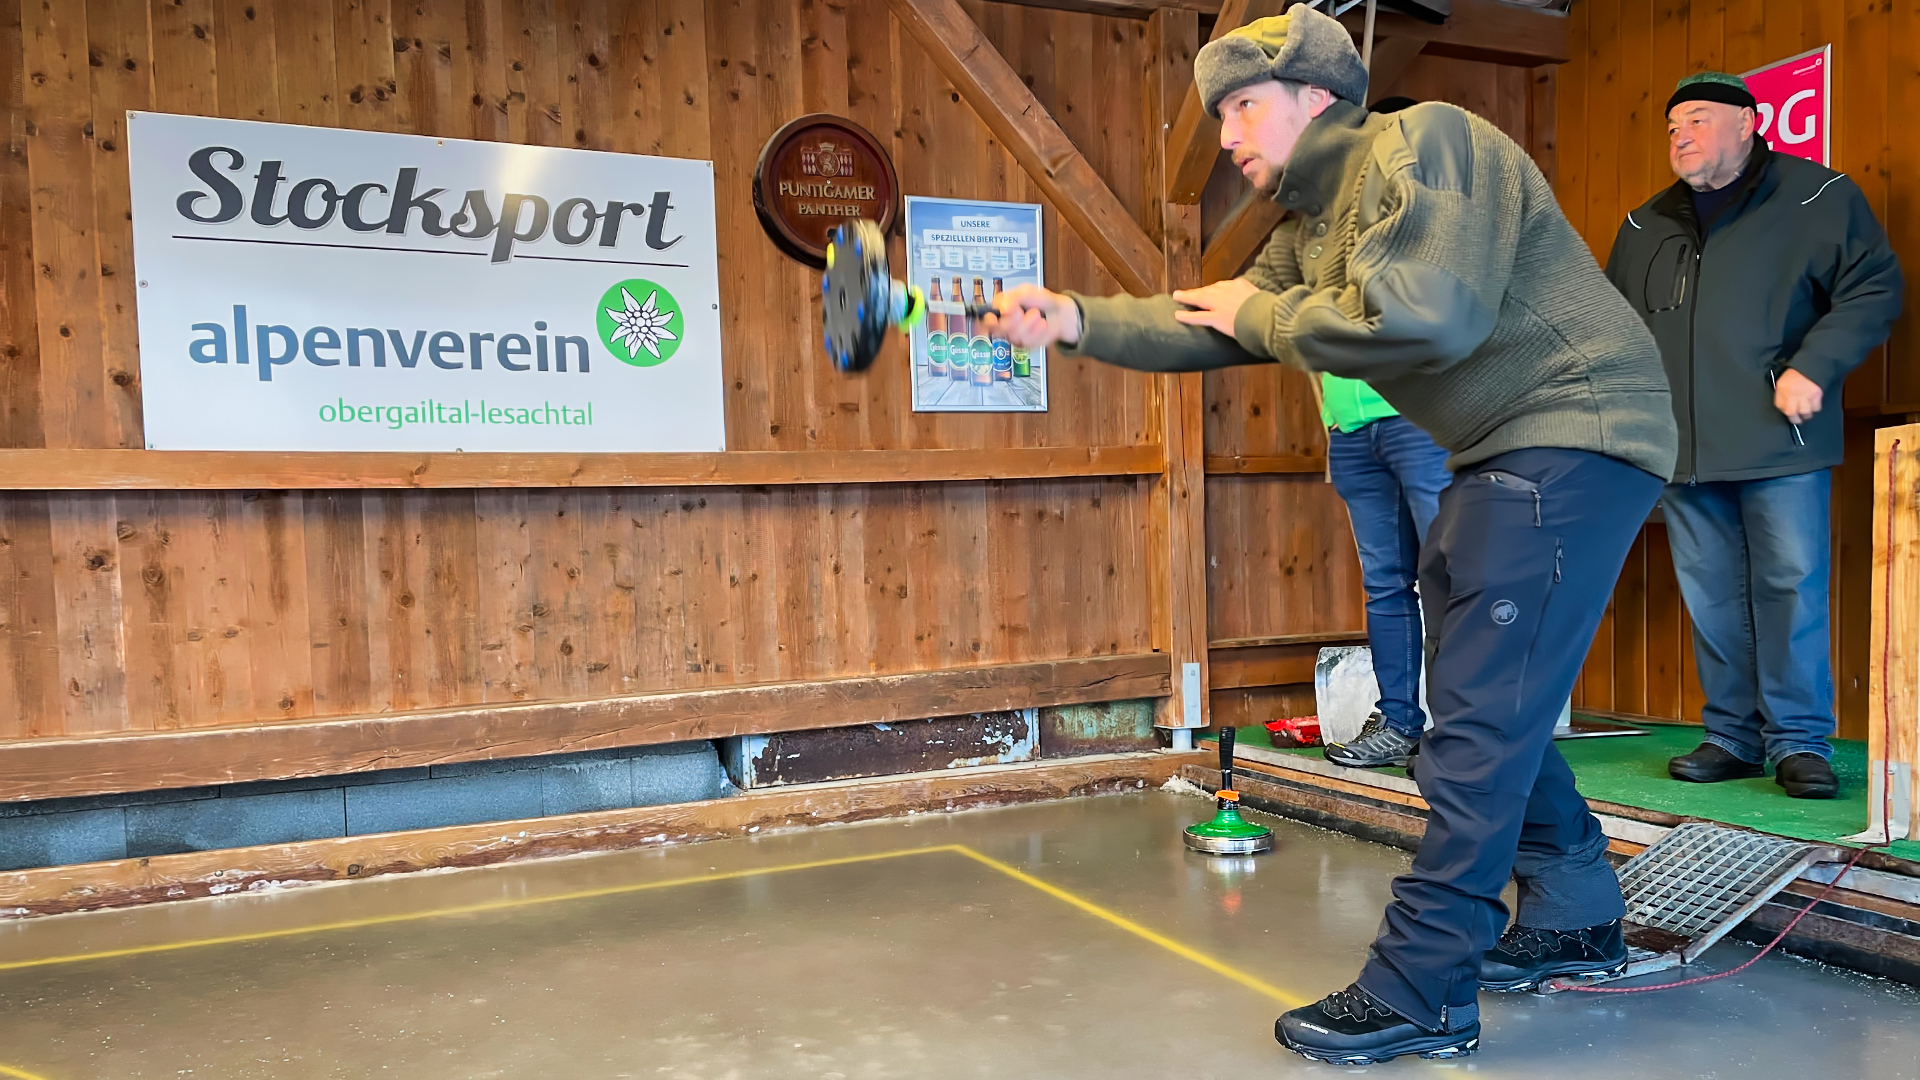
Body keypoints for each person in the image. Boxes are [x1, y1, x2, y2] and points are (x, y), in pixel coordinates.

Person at [988, 6, 1676, 1064]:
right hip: (1497, 449)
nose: (1226, 134)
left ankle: (1423, 988)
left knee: (1476, 727)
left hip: (1577, 428)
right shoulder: (1310, 228)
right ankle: (1576, 914)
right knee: (1483, 697)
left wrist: (1260, 317)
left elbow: (1428, 313)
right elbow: (1213, 318)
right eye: (1219, 115)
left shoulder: (1429, 143)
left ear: (1318, 95)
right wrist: (1074, 321)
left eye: (1243, 106)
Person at [1606, 73, 1902, 800]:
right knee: (1711, 596)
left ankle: (1799, 741)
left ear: (1749, 122)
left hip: (1780, 438)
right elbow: (1615, 330)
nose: (1681, 135)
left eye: (1698, 120)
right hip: (1681, 446)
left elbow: (1874, 287)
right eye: (1673, 125)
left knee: (1790, 586)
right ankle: (1732, 737)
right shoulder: (1644, 225)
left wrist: (1814, 367)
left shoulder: (1817, 196)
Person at [1314, 94, 1454, 772]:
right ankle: (1400, 723)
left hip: (1421, 423)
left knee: (1452, 577)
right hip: (1352, 429)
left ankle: (1466, 731)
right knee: (1387, 585)